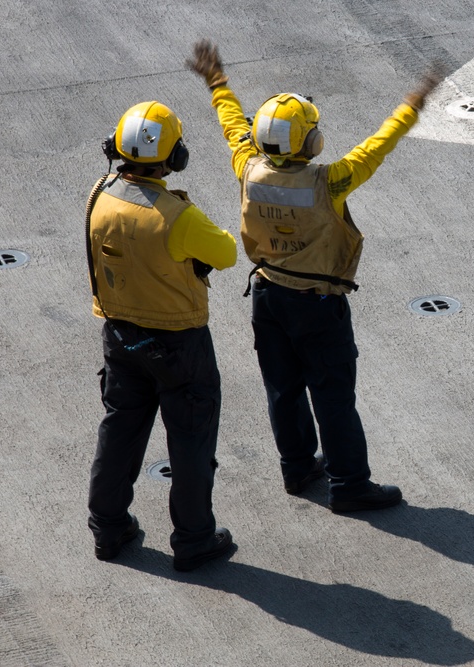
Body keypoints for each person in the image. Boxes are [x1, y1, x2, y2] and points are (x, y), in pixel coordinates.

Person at [186, 39, 441, 512]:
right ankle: (349, 484)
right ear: (308, 143)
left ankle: (298, 468)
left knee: (283, 389)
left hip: (268, 296)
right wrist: (411, 105)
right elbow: (377, 146)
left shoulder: (248, 167)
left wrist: (217, 82)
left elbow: (232, 128)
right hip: (319, 306)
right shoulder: (332, 181)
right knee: (333, 395)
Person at [86, 100, 238, 572]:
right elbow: (228, 253)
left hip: (120, 337)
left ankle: (107, 528)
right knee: (190, 442)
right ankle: (193, 539)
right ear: (175, 159)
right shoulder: (178, 216)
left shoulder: (98, 194)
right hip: (179, 345)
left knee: (120, 428)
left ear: (116, 149)